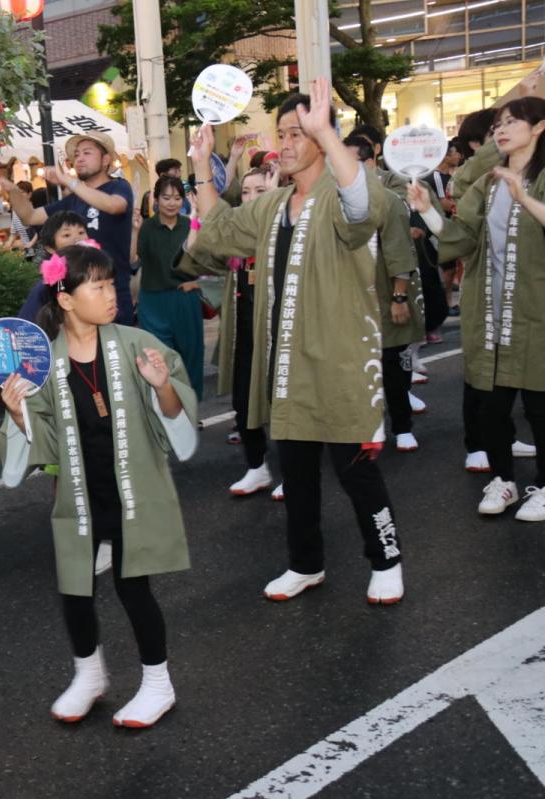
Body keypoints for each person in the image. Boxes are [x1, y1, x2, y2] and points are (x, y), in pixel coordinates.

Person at [188, 78, 405, 605]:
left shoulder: (340, 190)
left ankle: (387, 559)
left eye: (294, 133)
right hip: (287, 362)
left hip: (337, 360)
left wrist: (329, 136)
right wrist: (201, 165)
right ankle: (306, 563)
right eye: (281, 133)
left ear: (319, 134)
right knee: (299, 473)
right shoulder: (274, 202)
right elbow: (220, 231)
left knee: (356, 471)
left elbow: (365, 208)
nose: (283, 143)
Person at [0, 243, 197, 727]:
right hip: (81, 494)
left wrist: (162, 383)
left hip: (131, 486)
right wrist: (17, 410)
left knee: (134, 587)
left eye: (113, 283)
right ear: (66, 299)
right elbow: (40, 441)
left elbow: (176, 418)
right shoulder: (44, 362)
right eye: (100, 285)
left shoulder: (133, 343)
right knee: (75, 588)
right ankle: (89, 675)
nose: (113, 293)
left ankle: (157, 683)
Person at [410, 97, 545, 523]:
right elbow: (461, 236)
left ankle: (542, 486)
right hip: (489, 309)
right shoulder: (487, 183)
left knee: (540, 405)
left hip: (537, 307)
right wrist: (428, 210)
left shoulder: (536, 179)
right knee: (491, 403)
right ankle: (503, 478)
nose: (500, 131)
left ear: (539, 128)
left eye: (511, 122)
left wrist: (523, 195)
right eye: (497, 125)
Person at [178, 168, 279, 496]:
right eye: (246, 192)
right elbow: (196, 257)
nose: (251, 198)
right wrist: (195, 218)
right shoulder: (236, 236)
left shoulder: (287, 228)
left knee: (287, 404)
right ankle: (257, 467)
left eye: (261, 191)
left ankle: (296, 472)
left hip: (281, 332)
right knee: (244, 399)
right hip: (244, 334)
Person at [343, 135, 425, 453]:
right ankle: (368, 424)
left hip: (384, 294)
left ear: (368, 162)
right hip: (348, 300)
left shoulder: (387, 199)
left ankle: (402, 425)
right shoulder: (335, 199)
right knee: (357, 368)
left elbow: (398, 250)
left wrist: (399, 296)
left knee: (392, 364)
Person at [5, 131, 136, 325]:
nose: (80, 159)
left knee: (114, 352)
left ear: (106, 159)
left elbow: (114, 205)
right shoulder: (73, 199)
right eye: (76, 155)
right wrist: (13, 190)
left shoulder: (118, 186)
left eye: (87, 153)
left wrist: (69, 181)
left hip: (112, 291)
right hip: (77, 297)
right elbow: (29, 217)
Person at [136, 174, 204, 400]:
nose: (172, 203)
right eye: (166, 198)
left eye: (177, 198)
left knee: (191, 355)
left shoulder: (190, 225)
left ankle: (191, 406)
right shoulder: (146, 227)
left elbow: (205, 259)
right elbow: (133, 260)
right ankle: (166, 405)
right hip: (153, 301)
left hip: (185, 299)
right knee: (159, 356)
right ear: (156, 200)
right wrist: (135, 230)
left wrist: (197, 282)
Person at [17, 210, 88, 323]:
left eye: (81, 232)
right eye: (66, 235)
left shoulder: (98, 273)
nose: (77, 239)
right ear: (50, 248)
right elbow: (25, 326)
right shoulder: (45, 288)